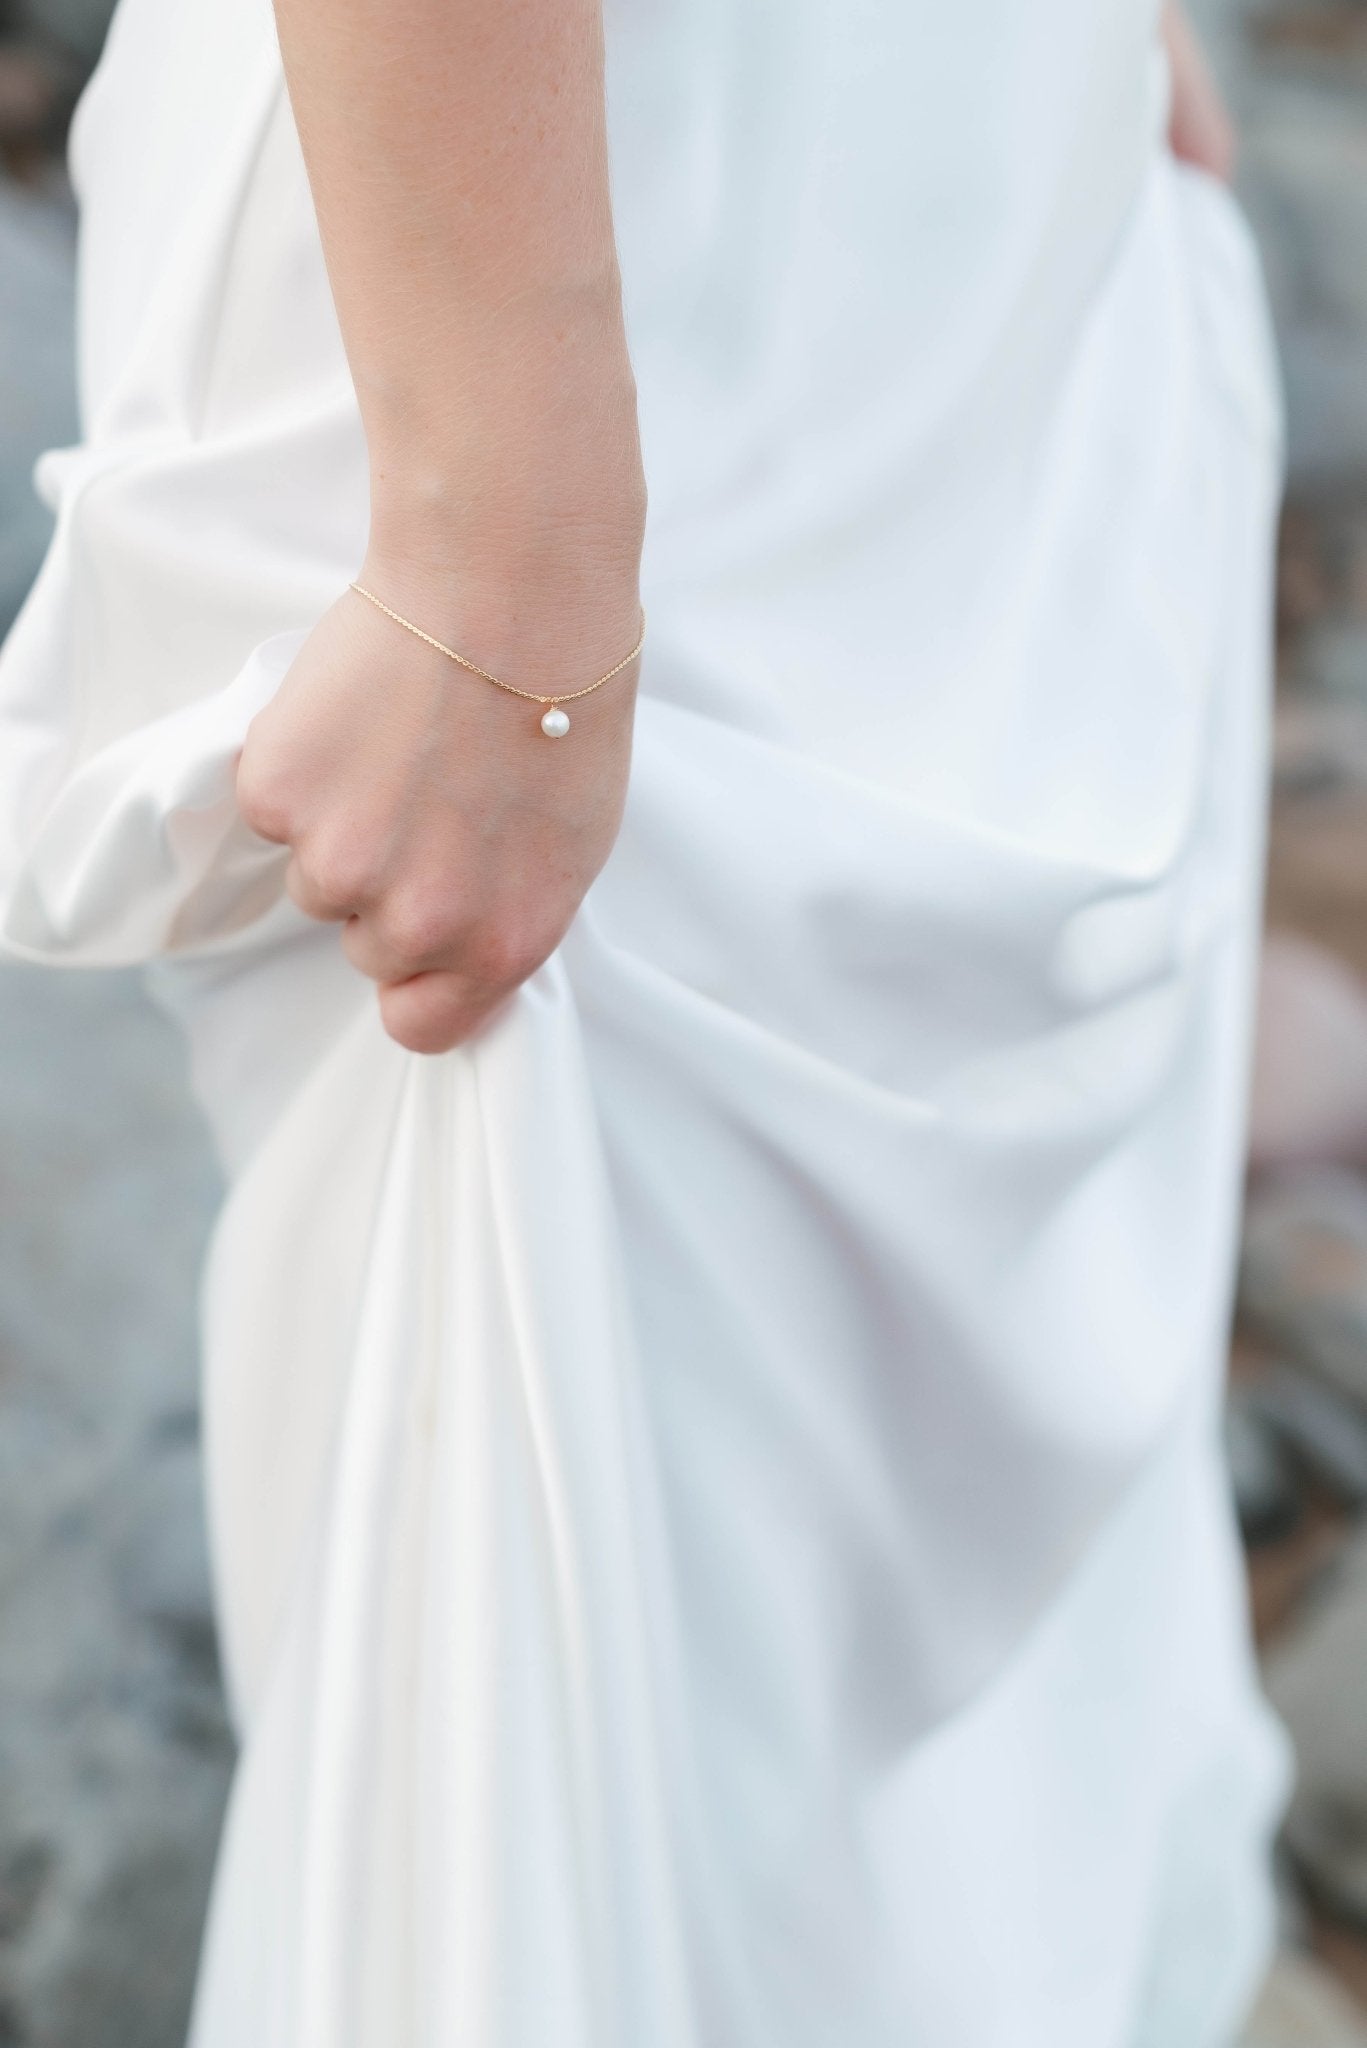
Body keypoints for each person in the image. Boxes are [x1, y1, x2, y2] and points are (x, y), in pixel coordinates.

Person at [0, 0, 1290, 2041]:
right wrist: (503, 564)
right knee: (588, 1553)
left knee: (865, 1562)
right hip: (555, 300)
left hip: (925, 173)